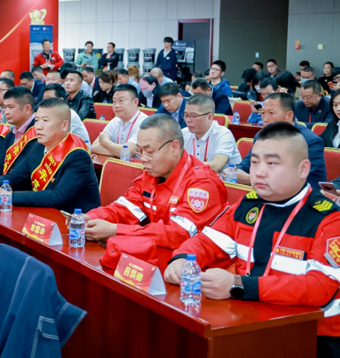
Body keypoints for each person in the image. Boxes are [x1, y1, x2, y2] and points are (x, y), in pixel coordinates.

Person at [163, 122, 340, 358]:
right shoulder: (248, 205)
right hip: (252, 321)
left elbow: (320, 287)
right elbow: (206, 242)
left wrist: (238, 285)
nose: (259, 172)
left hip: (314, 335)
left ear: (303, 169)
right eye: (255, 162)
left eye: (272, 163)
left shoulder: (327, 218)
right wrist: (181, 259)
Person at [84, 114, 228, 259]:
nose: (143, 159)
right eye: (140, 152)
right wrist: (90, 218)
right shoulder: (151, 174)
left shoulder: (202, 183)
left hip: (194, 265)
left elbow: (178, 234)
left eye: (149, 152)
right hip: (157, 256)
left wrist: (116, 230)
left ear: (174, 147)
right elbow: (125, 208)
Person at [0, 98, 100, 213]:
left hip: (74, 221)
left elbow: (57, 197)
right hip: (42, 214)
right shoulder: (37, 146)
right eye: (36, 120)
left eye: (45, 121)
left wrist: (5, 196)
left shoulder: (78, 156)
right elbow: (15, 177)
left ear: (64, 125)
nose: (38, 127)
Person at [236, 92, 326, 189]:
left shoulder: (310, 141)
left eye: (271, 113)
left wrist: (252, 180)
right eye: (262, 113)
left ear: (289, 116)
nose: (265, 119)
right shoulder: (261, 135)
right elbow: (246, 164)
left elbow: (295, 180)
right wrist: (234, 172)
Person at [182, 94, 241, 173]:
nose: (188, 120)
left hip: (221, 180)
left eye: (194, 116)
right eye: (186, 115)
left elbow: (216, 166)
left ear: (209, 117)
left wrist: (186, 166)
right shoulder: (183, 133)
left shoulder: (223, 134)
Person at [91, 84, 145, 157]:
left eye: (121, 101)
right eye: (114, 101)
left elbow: (128, 152)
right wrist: (119, 152)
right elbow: (94, 146)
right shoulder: (115, 121)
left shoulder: (145, 123)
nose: (116, 105)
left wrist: (105, 142)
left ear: (135, 102)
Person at [0, 87, 36, 174]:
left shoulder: (38, 132)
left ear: (27, 108)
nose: (6, 112)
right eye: (5, 107)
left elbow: (24, 172)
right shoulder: (9, 135)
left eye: (10, 107)